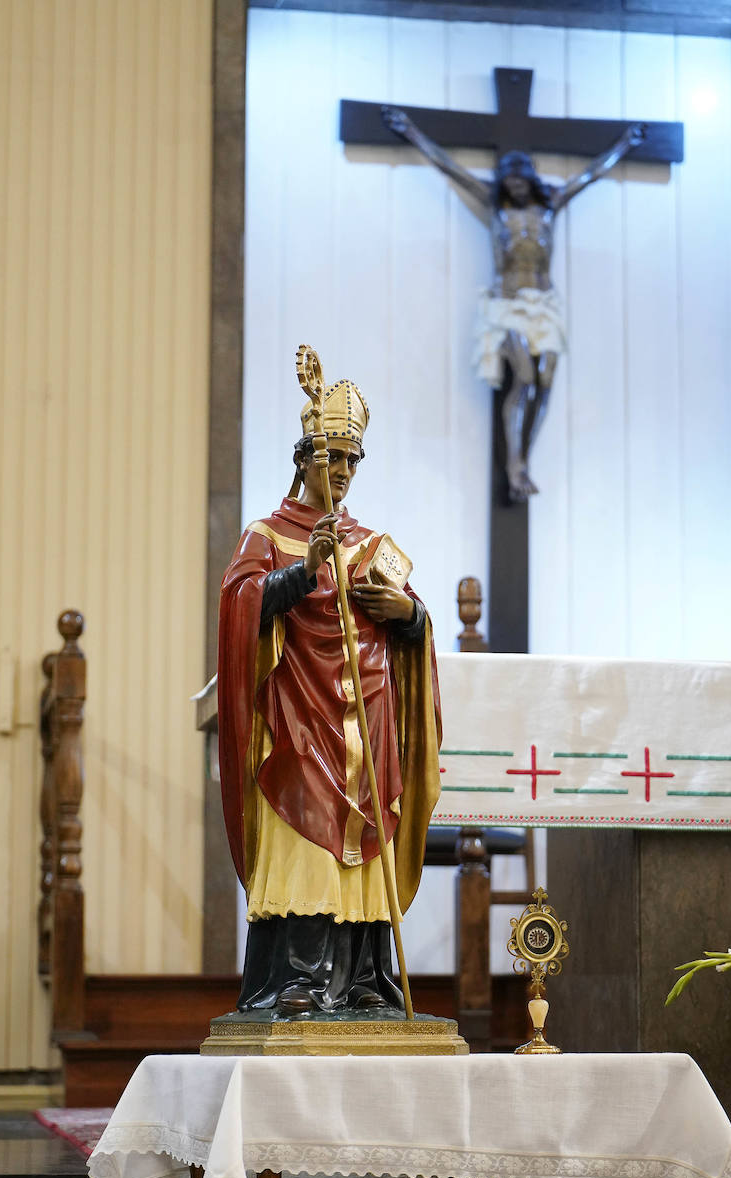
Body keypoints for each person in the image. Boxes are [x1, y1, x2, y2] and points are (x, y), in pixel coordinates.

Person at [217, 374, 441, 1015]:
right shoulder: (268, 534)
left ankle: (365, 982)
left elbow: (415, 625)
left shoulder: (370, 543)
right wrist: (301, 572)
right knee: (306, 836)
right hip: (299, 717)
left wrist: (408, 613)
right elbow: (241, 608)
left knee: (365, 841)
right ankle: (300, 978)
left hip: (368, 715)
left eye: (351, 459)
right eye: (331, 457)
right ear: (304, 457)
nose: (342, 471)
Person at [382, 107, 646, 501]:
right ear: (506, 181)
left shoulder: (550, 203)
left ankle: (526, 457)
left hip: (545, 305)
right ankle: (515, 463)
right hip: (508, 304)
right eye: (513, 181)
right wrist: (412, 132)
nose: (519, 187)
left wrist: (624, 146)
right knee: (522, 376)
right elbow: (451, 167)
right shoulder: (497, 207)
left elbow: (589, 175)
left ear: (532, 180)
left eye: (524, 180)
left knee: (546, 378)